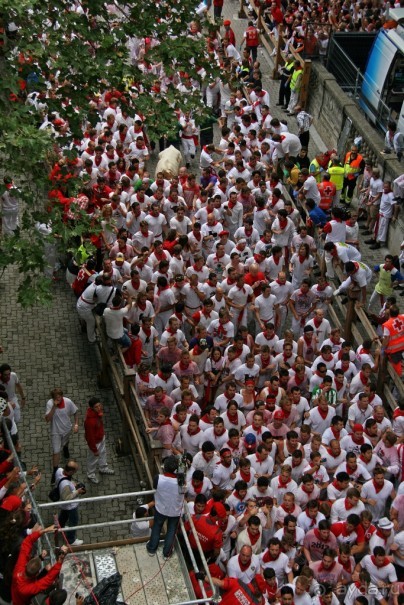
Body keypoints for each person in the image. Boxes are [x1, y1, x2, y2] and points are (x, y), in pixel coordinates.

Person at [12, 527, 68, 605]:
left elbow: (26, 542)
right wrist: (60, 559)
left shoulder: (19, 567)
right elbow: (48, 580)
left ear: (27, 564)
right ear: (36, 574)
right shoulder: (28, 589)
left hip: (14, 593)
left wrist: (44, 531)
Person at [146, 455, 185, 559]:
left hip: (161, 509)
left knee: (157, 527)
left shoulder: (158, 478)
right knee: (171, 531)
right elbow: (184, 491)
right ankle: (166, 554)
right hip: (175, 511)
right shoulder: (181, 482)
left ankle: (151, 549)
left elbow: (155, 487)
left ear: (165, 467)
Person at [45, 387, 79, 485]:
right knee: (56, 451)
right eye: (56, 397)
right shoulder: (50, 404)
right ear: (53, 398)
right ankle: (55, 471)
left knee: (66, 441)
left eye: (60, 397)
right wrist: (54, 407)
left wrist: (76, 424)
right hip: (55, 432)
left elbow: (75, 412)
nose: (59, 399)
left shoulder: (68, 402)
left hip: (67, 429)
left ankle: (66, 447)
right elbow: (47, 419)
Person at [84, 396, 115, 484]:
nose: (99, 408)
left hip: (101, 438)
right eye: (96, 407)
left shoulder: (97, 413)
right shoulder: (89, 422)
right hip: (95, 442)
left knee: (103, 453)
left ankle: (103, 468)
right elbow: (90, 437)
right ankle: (90, 474)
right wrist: (94, 449)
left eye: (99, 406)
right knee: (93, 459)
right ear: (92, 408)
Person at [56, 460, 86, 546]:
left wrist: (72, 485)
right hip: (70, 506)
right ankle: (71, 540)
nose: (75, 473)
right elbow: (66, 498)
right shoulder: (65, 485)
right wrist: (77, 492)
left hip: (64, 506)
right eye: (75, 471)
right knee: (73, 521)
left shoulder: (59, 471)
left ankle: (60, 527)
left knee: (63, 516)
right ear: (70, 472)